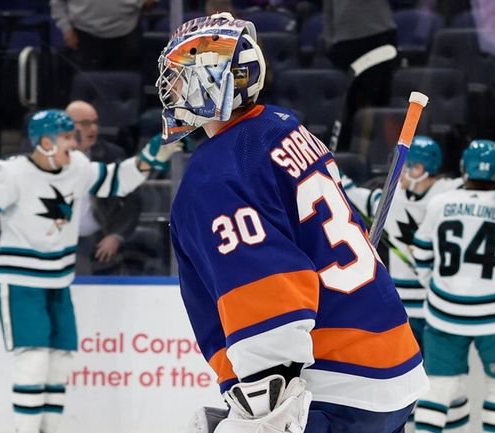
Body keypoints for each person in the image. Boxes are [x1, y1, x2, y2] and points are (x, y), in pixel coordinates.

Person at [161, 13, 428, 433]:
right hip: (389, 363)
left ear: (211, 81)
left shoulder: (217, 172)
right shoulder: (282, 127)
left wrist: (264, 407)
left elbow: (266, 288)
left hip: (330, 383)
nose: (171, 87)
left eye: (179, 74)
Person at [0, 109, 180, 433]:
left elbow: (116, 180)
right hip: (19, 282)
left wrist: (158, 151)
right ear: (45, 142)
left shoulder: (77, 168)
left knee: (60, 362)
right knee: (33, 360)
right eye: (67, 137)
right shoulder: (13, 174)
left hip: (59, 281)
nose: (74, 142)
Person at [340, 137, 495, 433]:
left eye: (413, 167)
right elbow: (349, 192)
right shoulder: (388, 197)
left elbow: (490, 189)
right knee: (416, 389)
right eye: (402, 166)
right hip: (402, 311)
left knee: (446, 390)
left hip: (436, 310)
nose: (404, 173)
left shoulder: (447, 194)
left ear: (431, 169)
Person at [410, 140, 495, 433]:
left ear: (463, 168)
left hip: (444, 314)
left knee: (437, 390)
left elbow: (422, 254)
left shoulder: (440, 203)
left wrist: (439, 287)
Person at [66, 100, 142, 273]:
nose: (93, 129)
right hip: (56, 240)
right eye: (85, 123)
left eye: (95, 122)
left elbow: (133, 200)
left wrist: (116, 235)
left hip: (97, 239)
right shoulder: (51, 158)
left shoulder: (111, 154)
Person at [322, 0, 398, 151]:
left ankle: (381, 157)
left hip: (378, 34)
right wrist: (329, 39)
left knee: (376, 108)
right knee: (351, 108)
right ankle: (351, 159)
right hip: (344, 41)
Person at [50, 0, 155, 71]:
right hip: (84, 34)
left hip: (127, 30)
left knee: (126, 84)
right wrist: (66, 29)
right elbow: (57, 2)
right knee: (87, 90)